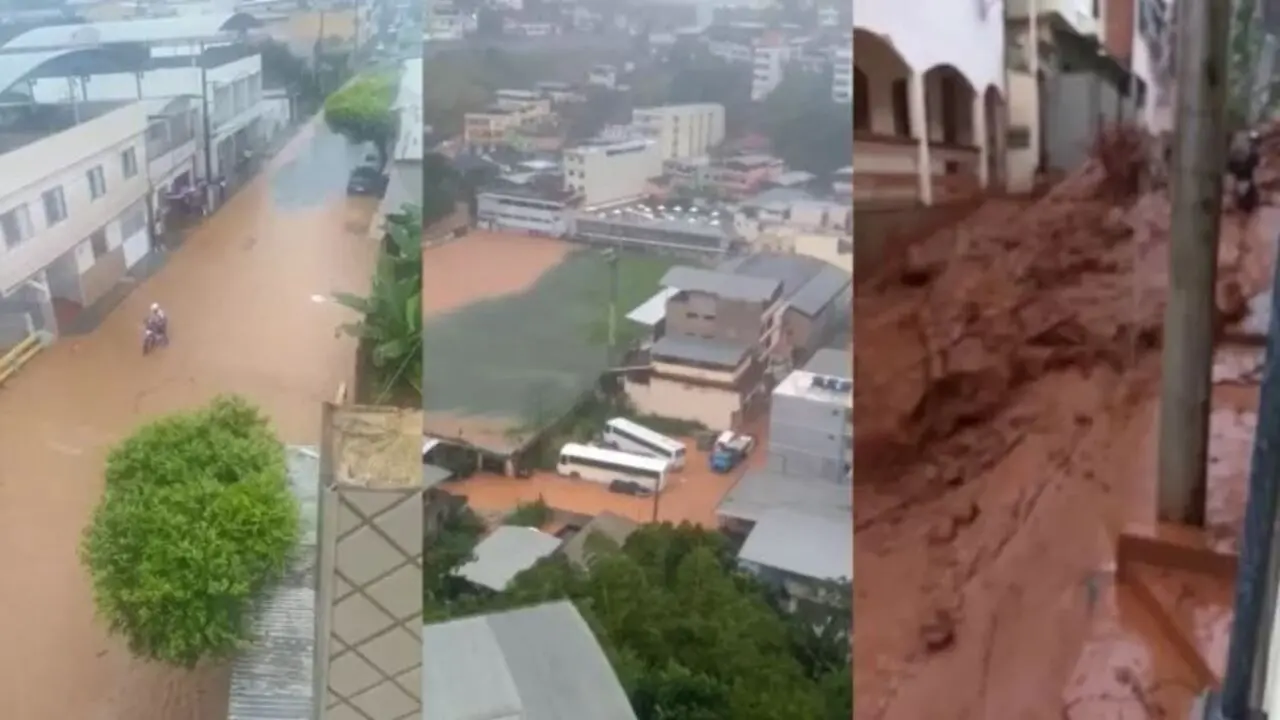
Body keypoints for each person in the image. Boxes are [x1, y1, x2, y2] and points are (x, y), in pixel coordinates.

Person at [1227, 130, 1262, 214]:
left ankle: (1239, 203)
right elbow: (1255, 162)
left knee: (1239, 185)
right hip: (1243, 171)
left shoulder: (1240, 144)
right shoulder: (1251, 149)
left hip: (1240, 171)